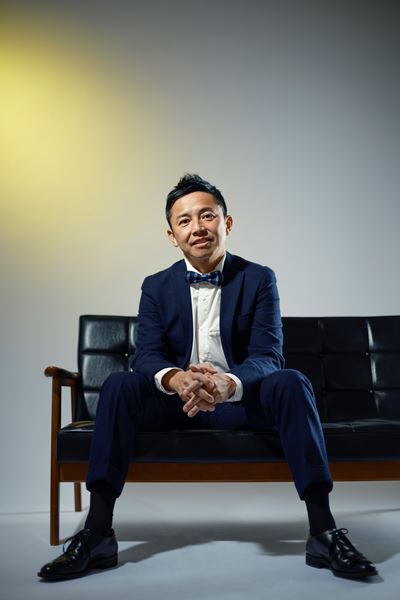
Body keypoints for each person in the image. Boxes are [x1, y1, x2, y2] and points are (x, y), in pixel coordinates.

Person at [38, 174, 377, 581]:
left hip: (238, 405)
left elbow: (268, 354)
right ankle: (97, 534)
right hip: (174, 406)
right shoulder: (155, 286)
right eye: (184, 221)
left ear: (226, 223)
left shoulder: (259, 278)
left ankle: (323, 532)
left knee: (291, 381)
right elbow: (147, 355)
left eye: (207, 216)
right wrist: (177, 379)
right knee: (119, 384)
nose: (197, 227)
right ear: (172, 235)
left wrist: (226, 383)